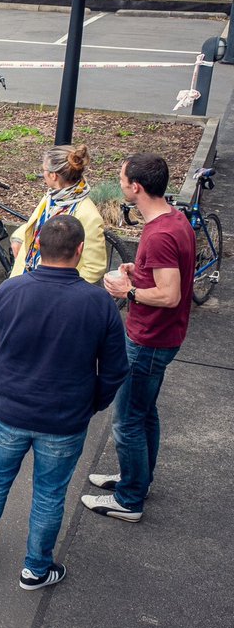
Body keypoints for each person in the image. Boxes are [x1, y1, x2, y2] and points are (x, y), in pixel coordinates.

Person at [0, 215, 128, 590]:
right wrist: (92, 403)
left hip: (9, 412)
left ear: (36, 247)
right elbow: (116, 368)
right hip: (66, 420)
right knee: (50, 494)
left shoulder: (9, 292)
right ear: (81, 251)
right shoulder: (99, 304)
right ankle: (36, 569)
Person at [83, 153, 195, 523]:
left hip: (149, 339)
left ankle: (129, 499)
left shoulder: (160, 233)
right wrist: (139, 271)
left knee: (127, 419)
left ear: (137, 187)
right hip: (163, 337)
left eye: (122, 179)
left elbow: (170, 295)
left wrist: (128, 291)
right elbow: (165, 277)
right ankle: (138, 478)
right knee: (145, 412)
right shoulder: (173, 220)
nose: (120, 184)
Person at [9, 145, 106, 283]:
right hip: (27, 279)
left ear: (53, 175)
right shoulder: (52, 197)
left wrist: (62, 289)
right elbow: (39, 223)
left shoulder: (88, 215)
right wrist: (18, 237)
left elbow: (94, 267)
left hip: (54, 291)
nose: (42, 174)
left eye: (43, 170)